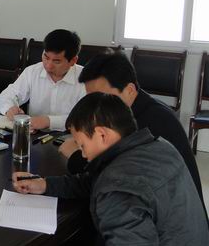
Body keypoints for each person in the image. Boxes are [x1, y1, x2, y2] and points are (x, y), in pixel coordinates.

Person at [13, 93, 209, 246]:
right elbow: (96, 180)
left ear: (102, 135)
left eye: (82, 145)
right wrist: (45, 185)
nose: (83, 154)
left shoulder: (118, 190)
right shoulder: (159, 148)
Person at [61, 51, 205, 206]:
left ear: (129, 90)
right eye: (91, 98)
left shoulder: (151, 123)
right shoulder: (132, 110)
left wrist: (76, 156)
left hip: (169, 212)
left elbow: (109, 176)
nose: (95, 106)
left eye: (103, 97)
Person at [0, 29, 85, 130]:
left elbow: (87, 118)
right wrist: (9, 109)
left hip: (72, 136)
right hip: (35, 135)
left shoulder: (86, 79)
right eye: (46, 57)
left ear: (73, 60)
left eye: (56, 61)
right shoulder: (32, 71)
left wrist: (49, 121)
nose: (48, 66)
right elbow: (4, 97)